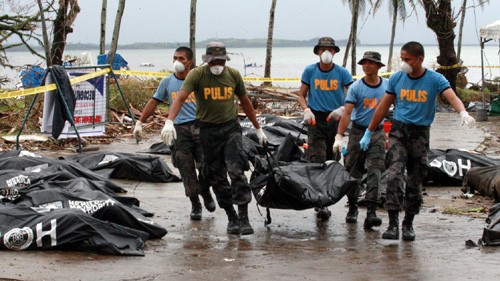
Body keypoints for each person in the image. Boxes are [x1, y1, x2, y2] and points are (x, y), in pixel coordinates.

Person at [359, 41, 476, 241]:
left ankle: (408, 224)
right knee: (395, 174)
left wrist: (463, 112)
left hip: (420, 134)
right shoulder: (397, 78)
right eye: (402, 59)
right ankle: (393, 223)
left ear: (419, 59)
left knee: (415, 178)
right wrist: (369, 131)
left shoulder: (434, 79)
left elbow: (451, 96)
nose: (403, 63)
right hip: (399, 132)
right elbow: (382, 107)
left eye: (407, 59)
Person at [160, 42, 268, 236]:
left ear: (225, 60)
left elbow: (245, 102)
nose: (217, 65)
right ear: (206, 61)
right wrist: (169, 121)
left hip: (230, 129)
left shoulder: (233, 75)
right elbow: (180, 98)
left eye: (220, 61)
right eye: (213, 61)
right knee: (217, 176)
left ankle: (244, 217)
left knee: (237, 171)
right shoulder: (197, 75)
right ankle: (231, 216)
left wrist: (258, 129)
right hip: (208, 132)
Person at [133, 46, 216, 221]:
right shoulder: (167, 82)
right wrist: (140, 122)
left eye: (181, 58)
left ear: (190, 62)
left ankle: (205, 190)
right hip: (179, 129)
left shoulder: (200, 79)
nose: (177, 61)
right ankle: (195, 204)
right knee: (186, 168)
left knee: (206, 166)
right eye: (174, 58)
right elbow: (154, 101)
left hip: (201, 127)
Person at [298, 37, 354, 221]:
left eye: (330, 49)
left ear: (335, 52)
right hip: (316, 120)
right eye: (322, 49)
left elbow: (354, 94)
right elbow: (302, 94)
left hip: (336, 119)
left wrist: (343, 109)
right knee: (317, 160)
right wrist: (306, 110)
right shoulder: (310, 71)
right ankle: (321, 204)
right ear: (318, 52)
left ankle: (328, 196)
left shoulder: (342, 73)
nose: (326, 52)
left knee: (332, 160)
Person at [333, 51, 387, 228]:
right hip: (357, 132)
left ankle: (371, 212)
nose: (366, 66)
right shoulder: (356, 87)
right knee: (353, 170)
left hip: (377, 133)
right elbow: (347, 113)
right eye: (364, 63)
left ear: (379, 66)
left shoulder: (386, 86)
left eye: (371, 63)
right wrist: (339, 137)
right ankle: (353, 206)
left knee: (375, 170)